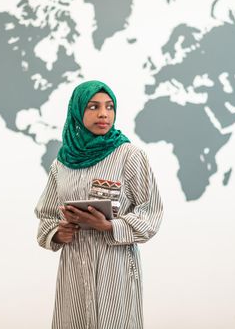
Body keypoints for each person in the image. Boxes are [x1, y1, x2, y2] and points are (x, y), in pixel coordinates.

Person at [35, 80, 163, 329]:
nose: (103, 114)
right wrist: (58, 233)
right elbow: (46, 216)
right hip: (74, 266)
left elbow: (151, 213)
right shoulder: (62, 163)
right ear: (77, 110)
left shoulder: (129, 155)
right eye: (93, 107)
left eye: (109, 107)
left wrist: (108, 226)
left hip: (115, 267)